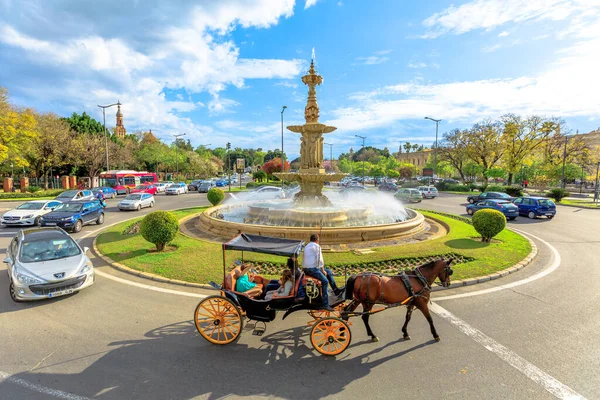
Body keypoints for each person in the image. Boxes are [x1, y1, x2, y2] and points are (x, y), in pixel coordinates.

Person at [302, 234, 341, 311]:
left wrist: (323, 270)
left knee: (329, 272)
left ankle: (336, 290)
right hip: (312, 269)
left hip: (306, 268)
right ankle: (325, 304)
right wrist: (322, 270)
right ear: (317, 240)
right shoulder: (317, 246)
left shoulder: (307, 246)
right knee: (325, 281)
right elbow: (320, 260)